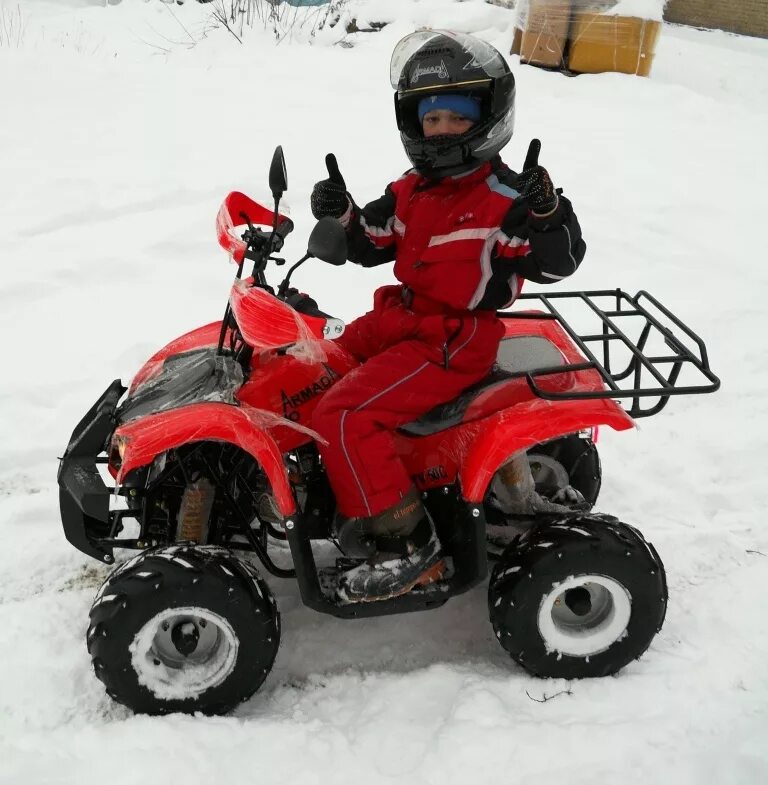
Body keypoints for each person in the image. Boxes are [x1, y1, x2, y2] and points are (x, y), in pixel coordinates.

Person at [308, 30, 586, 604]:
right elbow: (369, 242)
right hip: (403, 320)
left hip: (452, 340)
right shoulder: (410, 191)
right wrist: (342, 216)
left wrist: (547, 213)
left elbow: (559, 263)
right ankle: (359, 480)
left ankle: (407, 544)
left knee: (343, 415)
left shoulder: (508, 198)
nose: (441, 129)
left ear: (488, 115)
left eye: (457, 115)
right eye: (430, 117)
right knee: (316, 363)